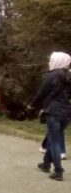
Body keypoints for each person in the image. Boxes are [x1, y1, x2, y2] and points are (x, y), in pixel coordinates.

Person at [30, 51, 71, 181]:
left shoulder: (53, 75)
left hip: (53, 111)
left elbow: (42, 92)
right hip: (67, 112)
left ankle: (58, 171)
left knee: (54, 141)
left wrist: (31, 105)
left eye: (51, 60)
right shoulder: (69, 76)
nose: (49, 62)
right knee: (53, 137)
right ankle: (46, 164)